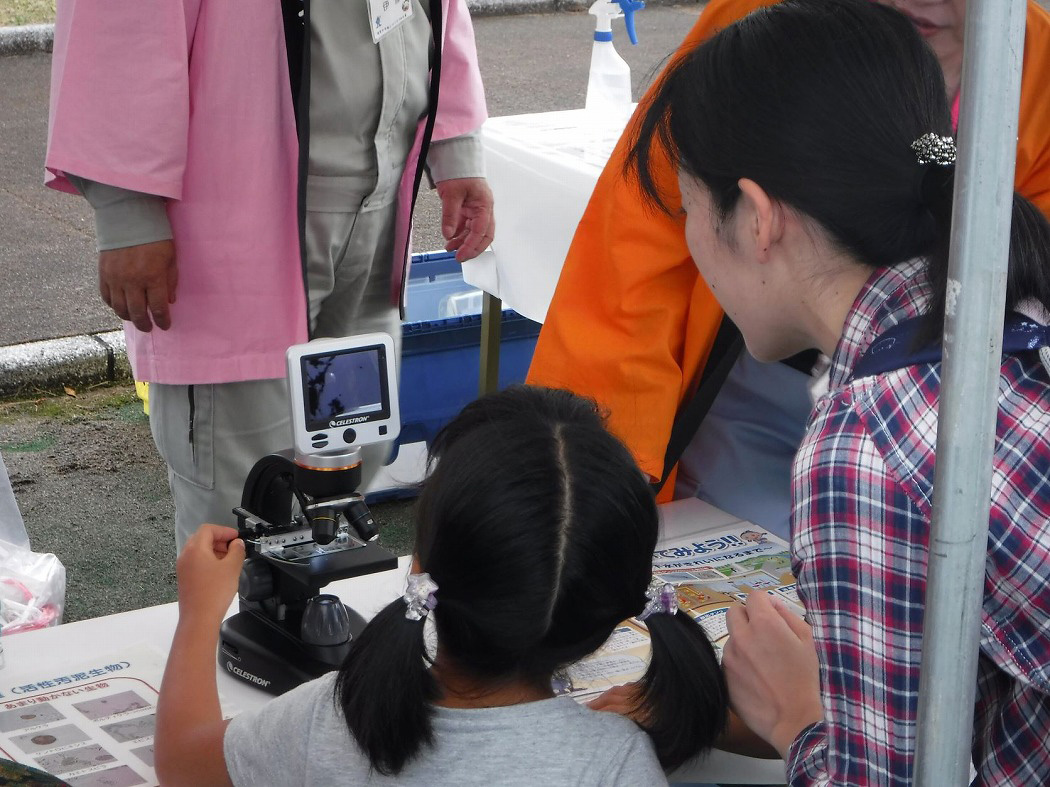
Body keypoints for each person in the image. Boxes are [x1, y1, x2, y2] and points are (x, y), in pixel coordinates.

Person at [627, 0, 1050, 783]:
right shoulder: (1013, 304)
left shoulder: (865, 447)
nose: (689, 237)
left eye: (689, 209)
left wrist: (797, 717)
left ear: (756, 218)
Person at [526, 0, 1050, 539]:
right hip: (760, 377)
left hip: (954, 399)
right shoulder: (759, 32)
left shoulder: (1036, 60)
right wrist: (594, 479)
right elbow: (630, 255)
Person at [44, 1, 494, 550]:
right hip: (233, 212)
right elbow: (119, 23)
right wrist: (128, 211)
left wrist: (454, 149)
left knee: (351, 451)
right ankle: (229, 632)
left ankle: (317, 620)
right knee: (239, 484)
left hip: (376, 210)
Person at [153, 386, 729, 785]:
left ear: (420, 564)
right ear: (616, 611)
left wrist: (199, 615)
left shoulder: (331, 718)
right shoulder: (615, 760)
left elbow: (183, 766)